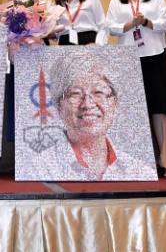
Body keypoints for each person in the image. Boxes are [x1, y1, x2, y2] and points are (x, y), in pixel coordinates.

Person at [37, 49, 149, 180]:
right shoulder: (39, 169)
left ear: (115, 103)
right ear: (59, 105)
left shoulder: (140, 171)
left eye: (98, 93)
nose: (87, 104)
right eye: (75, 94)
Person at [106, 0, 166, 178]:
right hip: (128, 59)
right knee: (132, 109)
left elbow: (165, 23)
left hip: (154, 56)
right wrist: (130, 25)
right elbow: (111, 27)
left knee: (159, 107)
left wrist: (145, 23)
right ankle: (138, 158)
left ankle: (164, 157)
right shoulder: (117, 1)